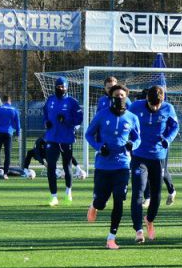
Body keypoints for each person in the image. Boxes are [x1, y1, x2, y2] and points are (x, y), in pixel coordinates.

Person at [85, 85, 141, 249]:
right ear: (111, 98)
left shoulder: (132, 118)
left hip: (122, 165)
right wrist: (98, 146)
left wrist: (133, 145)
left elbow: (138, 139)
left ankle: (111, 238)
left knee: (119, 198)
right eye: (117, 96)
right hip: (103, 165)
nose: (120, 98)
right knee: (102, 202)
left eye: (122, 96)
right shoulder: (102, 115)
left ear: (127, 98)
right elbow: (89, 134)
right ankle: (94, 205)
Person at [128, 85, 180, 243]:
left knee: (156, 195)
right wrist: (129, 139)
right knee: (138, 192)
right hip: (139, 156)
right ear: (147, 100)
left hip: (158, 158)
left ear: (162, 100)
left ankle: (149, 220)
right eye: (152, 105)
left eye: (158, 105)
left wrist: (168, 139)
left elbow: (175, 126)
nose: (155, 107)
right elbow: (125, 121)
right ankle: (138, 230)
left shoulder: (168, 108)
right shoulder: (135, 107)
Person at [43, 77, 83, 206]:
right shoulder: (50, 100)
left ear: (66, 87)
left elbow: (79, 120)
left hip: (66, 138)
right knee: (51, 167)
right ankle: (53, 196)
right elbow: (45, 113)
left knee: (67, 166)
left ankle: (68, 192)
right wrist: (46, 122)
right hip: (52, 138)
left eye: (63, 86)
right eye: (58, 86)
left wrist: (65, 120)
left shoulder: (72, 102)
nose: (60, 88)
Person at [0, 94, 21, 179]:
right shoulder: (14, 109)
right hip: (8, 134)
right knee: (7, 154)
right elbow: (18, 124)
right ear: (10, 101)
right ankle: (5, 174)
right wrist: (18, 135)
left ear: (3, 101)